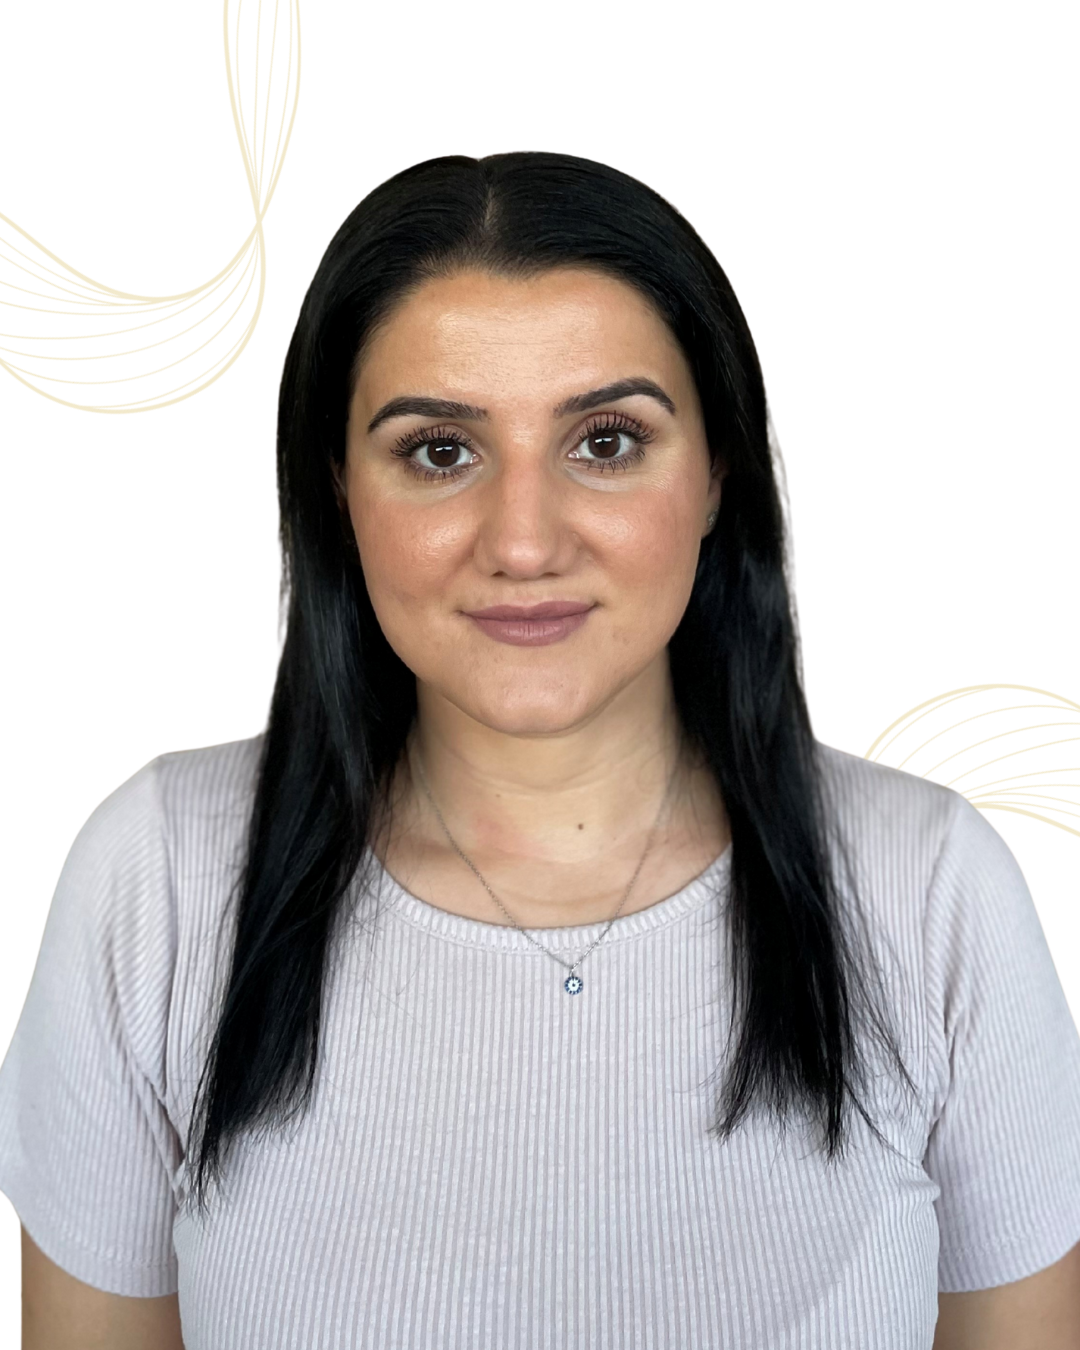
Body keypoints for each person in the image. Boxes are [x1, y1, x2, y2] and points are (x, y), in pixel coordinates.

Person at [2, 152, 1079, 1350]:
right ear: (337, 490)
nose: (522, 543)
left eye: (606, 442)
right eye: (439, 452)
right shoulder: (157, 884)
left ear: (717, 473)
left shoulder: (930, 892)